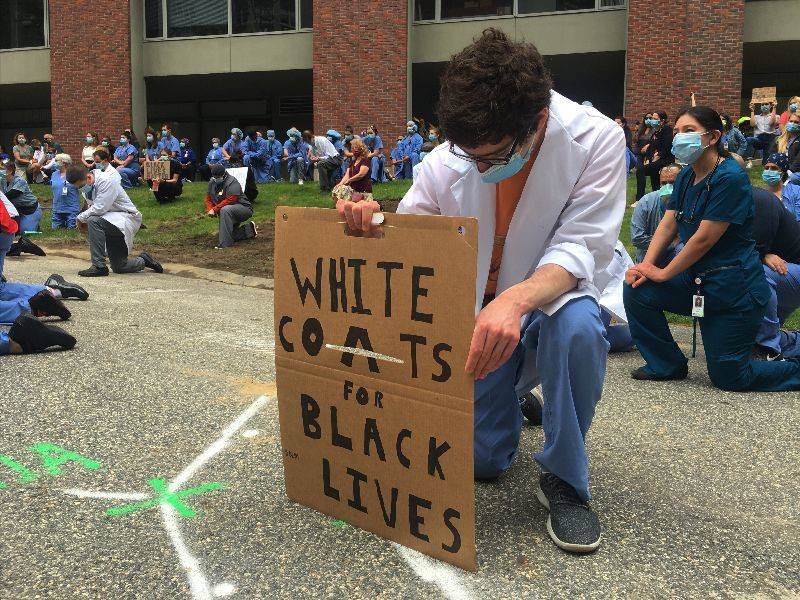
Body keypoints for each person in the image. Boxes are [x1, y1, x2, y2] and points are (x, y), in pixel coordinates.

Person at [336, 29, 626, 554]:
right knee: (484, 463)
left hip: (553, 296)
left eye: (493, 157)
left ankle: (565, 479)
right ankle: (517, 398)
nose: (480, 168)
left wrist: (513, 302)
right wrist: (369, 221)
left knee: (576, 329)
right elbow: (414, 230)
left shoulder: (597, 140)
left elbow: (583, 247)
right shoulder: (456, 151)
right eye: (470, 156)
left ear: (536, 122)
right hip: (481, 309)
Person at [623, 106, 800, 392]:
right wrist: (647, 266)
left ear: (714, 136)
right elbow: (669, 225)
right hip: (699, 281)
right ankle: (665, 364)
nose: (679, 137)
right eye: (678, 131)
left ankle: (793, 363)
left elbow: (705, 238)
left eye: (689, 131)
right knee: (637, 289)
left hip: (734, 291)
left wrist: (664, 273)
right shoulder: (685, 176)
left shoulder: (730, 177)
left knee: (730, 376)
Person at [66, 164, 163, 277]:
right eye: (77, 187)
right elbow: (93, 207)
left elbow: (100, 208)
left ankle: (99, 266)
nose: (80, 189)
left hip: (125, 217)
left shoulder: (106, 180)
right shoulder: (88, 186)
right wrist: (83, 219)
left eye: (80, 186)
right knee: (119, 266)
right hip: (109, 220)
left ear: (88, 177)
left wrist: (80, 218)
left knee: (93, 220)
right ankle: (143, 260)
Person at [749, 154, 800, 360]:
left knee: (757, 275)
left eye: (774, 167)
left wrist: (763, 255)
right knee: (746, 338)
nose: (769, 170)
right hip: (779, 264)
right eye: (766, 166)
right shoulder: (759, 197)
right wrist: (764, 254)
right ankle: (777, 342)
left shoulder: (793, 193)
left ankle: (768, 348)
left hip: (788, 265)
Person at [630, 164, 682, 264]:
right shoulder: (645, 202)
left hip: (679, 261)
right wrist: (672, 242)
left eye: (672, 183)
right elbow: (637, 238)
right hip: (647, 261)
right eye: (663, 183)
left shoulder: (690, 201)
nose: (667, 187)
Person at [204, 164, 257, 249]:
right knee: (226, 233)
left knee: (225, 210)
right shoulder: (212, 182)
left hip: (243, 209)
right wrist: (210, 209)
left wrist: (215, 209)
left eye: (219, 176)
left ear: (224, 174)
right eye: (215, 177)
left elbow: (231, 199)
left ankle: (225, 245)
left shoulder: (232, 181)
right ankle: (248, 230)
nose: (217, 178)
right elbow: (208, 198)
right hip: (228, 211)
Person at [1, 160, 44, 256]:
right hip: (16, 210)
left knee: (25, 232)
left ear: (10, 170)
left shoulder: (20, 181)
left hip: (31, 210)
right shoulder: (2, 180)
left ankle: (37, 230)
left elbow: (12, 194)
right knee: (10, 230)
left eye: (2, 168)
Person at [638, 111, 673, 195]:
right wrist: (649, 159)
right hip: (655, 159)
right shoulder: (656, 131)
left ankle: (639, 198)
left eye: (654, 119)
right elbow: (653, 146)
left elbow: (666, 146)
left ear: (662, 120)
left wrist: (658, 156)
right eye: (652, 118)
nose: (652, 120)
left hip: (665, 160)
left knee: (640, 170)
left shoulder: (667, 129)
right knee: (654, 177)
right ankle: (656, 196)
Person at [50, 154, 81, 230]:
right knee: (55, 230)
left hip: (71, 208)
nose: (54, 163)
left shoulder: (75, 174)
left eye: (56, 161)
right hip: (57, 208)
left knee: (72, 230)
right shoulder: (54, 174)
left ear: (63, 162)